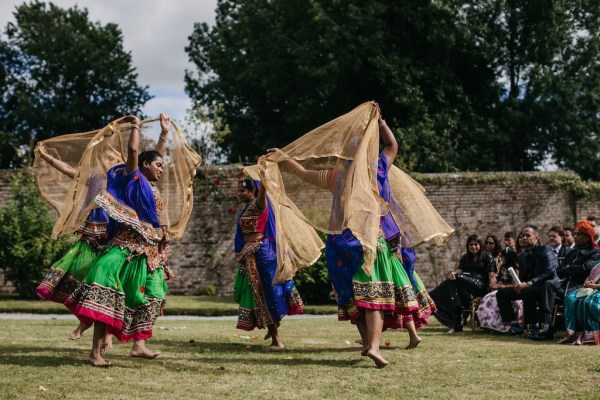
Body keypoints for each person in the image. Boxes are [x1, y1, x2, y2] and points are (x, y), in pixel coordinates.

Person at [265, 110, 437, 368]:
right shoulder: (376, 170)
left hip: (339, 244)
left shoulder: (338, 177)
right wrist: (381, 124)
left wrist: (283, 157)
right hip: (368, 242)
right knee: (375, 295)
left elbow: (301, 173)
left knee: (351, 296)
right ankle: (375, 347)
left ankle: (368, 342)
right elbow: (393, 145)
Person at [65, 114, 171, 367]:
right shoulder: (130, 179)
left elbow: (150, 156)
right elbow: (136, 150)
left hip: (147, 253)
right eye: (158, 166)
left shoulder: (148, 186)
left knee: (153, 296)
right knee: (107, 294)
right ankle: (95, 352)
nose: (161, 170)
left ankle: (139, 346)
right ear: (143, 166)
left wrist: (164, 134)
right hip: (123, 247)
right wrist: (135, 125)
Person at [35, 143, 109, 341]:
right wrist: (45, 156)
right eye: (105, 157)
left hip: (111, 240)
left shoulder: (122, 180)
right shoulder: (93, 179)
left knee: (104, 285)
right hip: (90, 237)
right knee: (82, 277)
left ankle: (98, 333)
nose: (107, 160)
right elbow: (69, 170)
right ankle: (90, 328)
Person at [232, 172, 304, 349]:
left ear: (252, 192)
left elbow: (262, 192)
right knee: (260, 295)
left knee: (266, 294)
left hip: (261, 255)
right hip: (252, 255)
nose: (239, 193)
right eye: (238, 190)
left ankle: (276, 340)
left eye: (242, 190)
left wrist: (264, 177)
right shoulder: (247, 209)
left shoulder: (258, 205)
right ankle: (273, 332)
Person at [496, 225, 558, 338]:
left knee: (530, 290)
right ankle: (515, 326)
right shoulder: (522, 257)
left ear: (536, 238)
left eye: (528, 235)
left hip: (546, 286)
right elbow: (524, 278)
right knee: (502, 293)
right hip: (530, 287)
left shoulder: (546, 250)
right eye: (522, 236)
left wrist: (529, 283)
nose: (524, 238)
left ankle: (540, 326)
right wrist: (518, 284)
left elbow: (550, 272)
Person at [430, 234, 495, 333]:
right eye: (471, 245)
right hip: (466, 287)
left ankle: (456, 323)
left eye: (476, 244)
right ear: (468, 246)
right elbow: (459, 270)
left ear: (480, 245)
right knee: (452, 283)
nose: (473, 247)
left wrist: (492, 289)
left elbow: (491, 275)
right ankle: (454, 322)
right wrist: (454, 273)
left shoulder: (487, 256)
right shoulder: (465, 257)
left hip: (480, 286)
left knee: (457, 278)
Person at [476, 248, 523, 333]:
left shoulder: (515, 268)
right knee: (488, 297)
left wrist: (502, 286)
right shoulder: (503, 267)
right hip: (502, 289)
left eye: (503, 257)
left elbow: (515, 284)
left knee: (495, 298)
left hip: (512, 290)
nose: (501, 259)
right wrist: (497, 285)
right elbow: (501, 279)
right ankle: (490, 324)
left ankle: (508, 324)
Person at [559, 260, 600, 345]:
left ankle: (591, 334)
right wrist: (587, 282)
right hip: (591, 288)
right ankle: (573, 333)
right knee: (570, 298)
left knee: (588, 302)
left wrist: (595, 286)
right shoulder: (597, 263)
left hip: (598, 290)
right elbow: (589, 276)